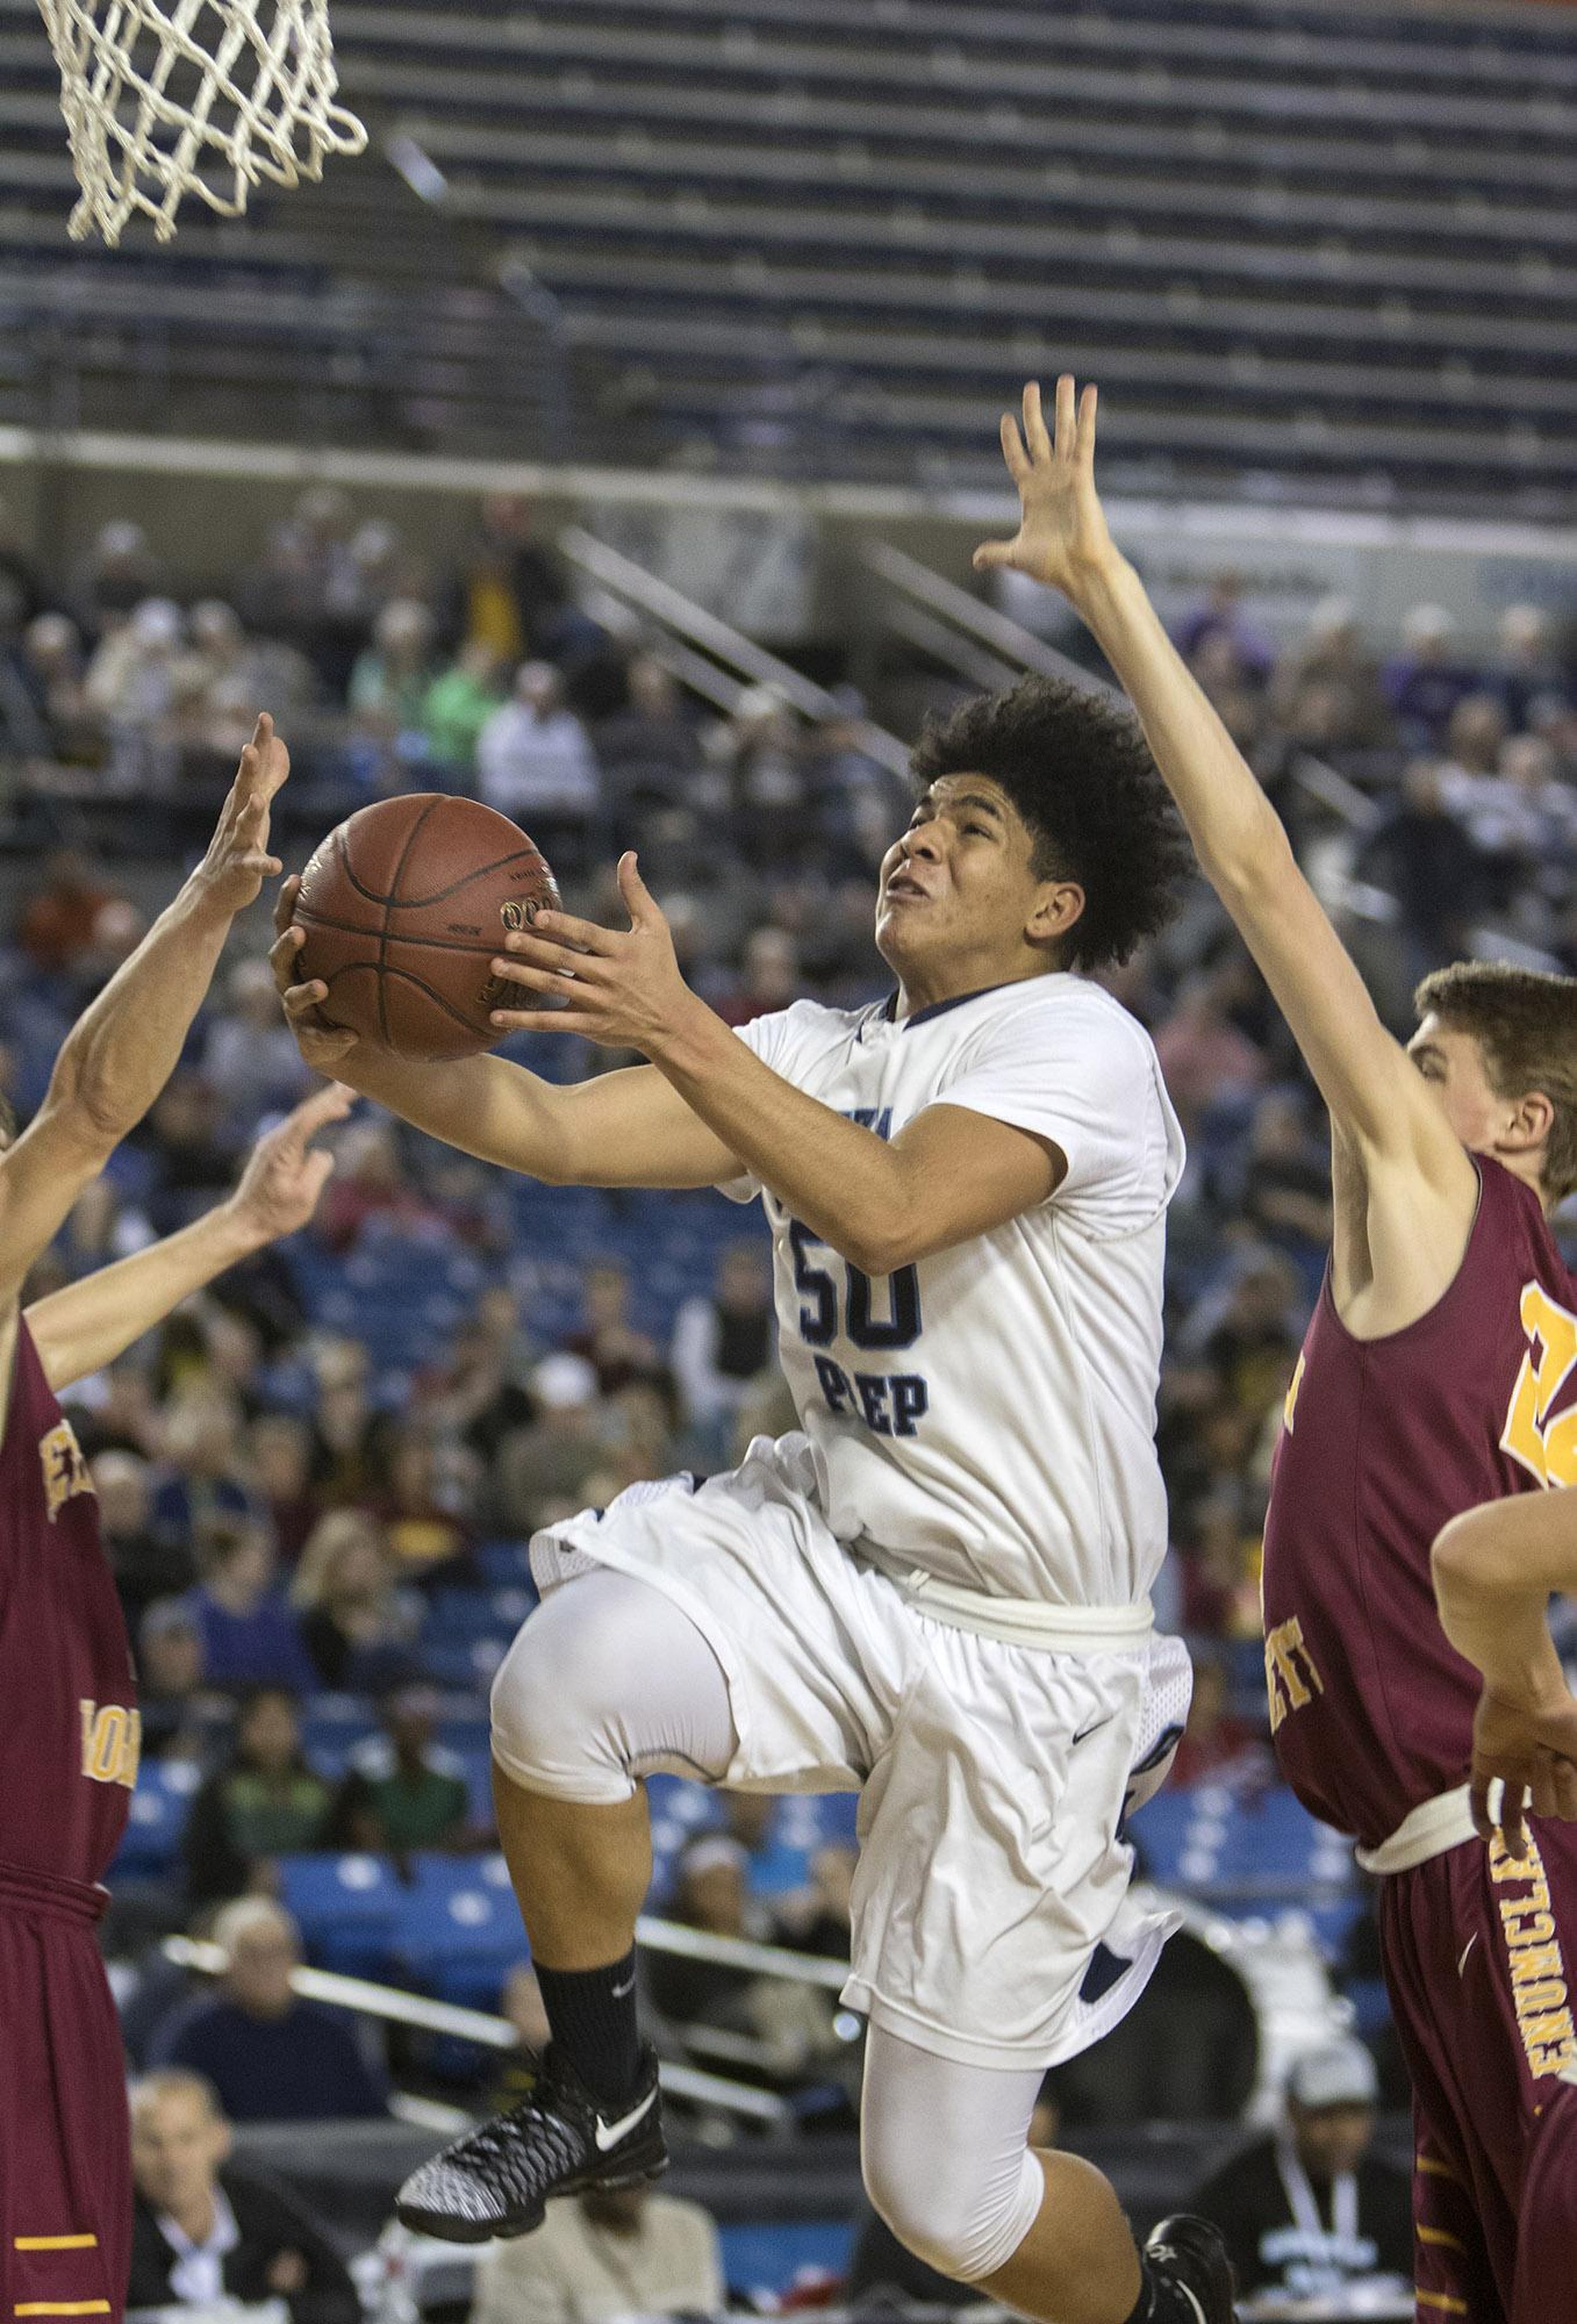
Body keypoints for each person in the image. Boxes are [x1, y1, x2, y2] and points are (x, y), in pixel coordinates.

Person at [273, 637, 1226, 2320]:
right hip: (843, 1554)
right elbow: (559, 1129)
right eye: (920, 809)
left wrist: (680, 1024)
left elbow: (893, 1209)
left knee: (943, 2197)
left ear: (1056, 907)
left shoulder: (1079, 1046)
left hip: (1033, 1649)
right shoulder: (811, 1044)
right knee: (557, 1678)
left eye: (977, 826)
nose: (917, 838)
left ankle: (1159, 2306)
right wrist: (372, 1054)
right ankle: (598, 2083)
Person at [976, 372, 1577, 2323]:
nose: (1373, 1087)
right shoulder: (1518, 1298)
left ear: (1513, 1126)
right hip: (1434, 1870)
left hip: (1491, 1852)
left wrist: (1102, 582)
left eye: (1421, 1066)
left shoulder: (1445, 1204)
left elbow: (1254, 876)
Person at [0, 716, 332, 2324]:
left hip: (48, 1932)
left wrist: (235, 1228)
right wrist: (207, 903)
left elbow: (58, 1335)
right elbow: (82, 1111)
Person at [1187, 2038, 1411, 2304]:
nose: (1342, 2133)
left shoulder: (1396, 2192)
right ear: (1293, 2111)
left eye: (1355, 2113)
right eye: (1325, 2115)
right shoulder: (1235, 2192)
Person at [127, 2069, 360, 2324]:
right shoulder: (116, 2232)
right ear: (127, 2149)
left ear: (219, 2139)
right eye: (153, 2142)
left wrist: (277, 2312)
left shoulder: (259, 2203)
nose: (172, 2161)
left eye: (187, 2139)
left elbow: (343, 2301)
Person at [150, 1896, 389, 2122]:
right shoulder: (192, 2032)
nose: (267, 1966)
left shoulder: (334, 2031)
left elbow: (372, 2118)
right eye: (252, 1953)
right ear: (228, 1963)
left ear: (297, 1957)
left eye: (278, 1951)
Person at [469, 2181, 725, 2324]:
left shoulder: (689, 2226)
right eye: (618, 2156)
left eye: (646, 2154)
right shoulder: (529, 2240)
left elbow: (707, 2314)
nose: (634, 2172)